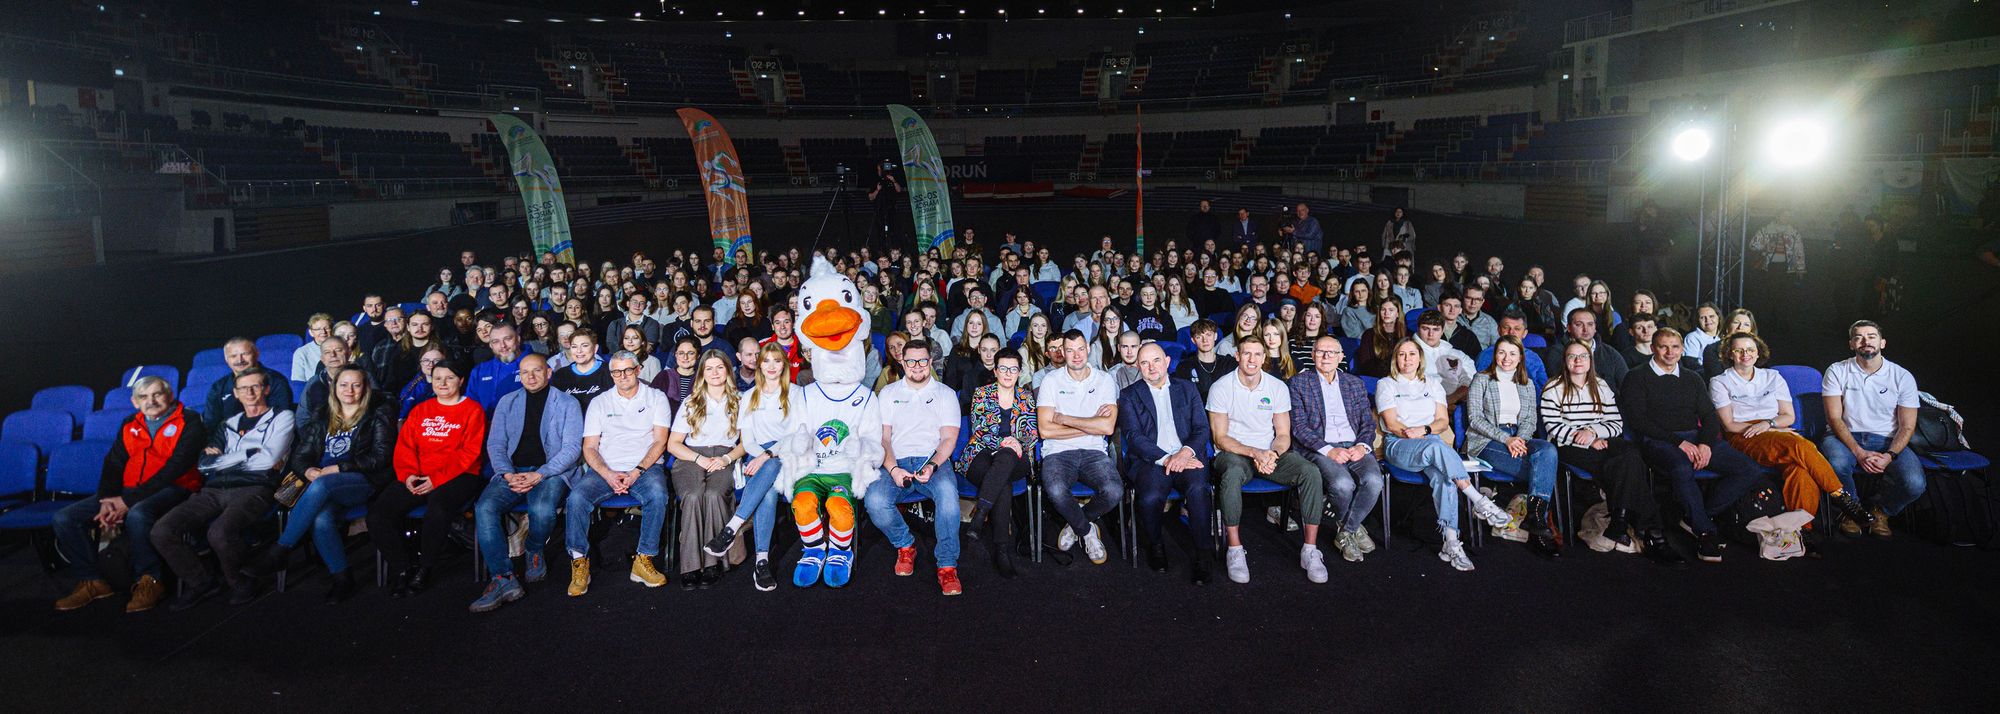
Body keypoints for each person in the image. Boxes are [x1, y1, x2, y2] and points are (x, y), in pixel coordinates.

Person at [242, 365, 398, 602]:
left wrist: (338, 468)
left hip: (362, 480)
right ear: (335, 388)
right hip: (322, 482)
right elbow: (300, 454)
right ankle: (342, 577)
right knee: (320, 518)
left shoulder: (378, 413)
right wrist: (308, 469)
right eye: (344, 384)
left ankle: (281, 550)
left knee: (322, 486)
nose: (350, 390)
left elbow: (380, 457)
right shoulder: (324, 414)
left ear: (365, 388)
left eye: (356, 385)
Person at [51, 377, 206, 613]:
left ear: (170, 396)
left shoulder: (190, 421)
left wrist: (127, 501)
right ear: (135, 402)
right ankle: (92, 580)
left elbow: (175, 468)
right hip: (128, 491)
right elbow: (114, 463)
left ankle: (150, 580)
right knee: (64, 518)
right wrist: (106, 499)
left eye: (157, 394)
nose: (151, 401)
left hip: (177, 487)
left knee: (138, 514)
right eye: (144, 397)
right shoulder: (130, 423)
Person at [1710, 332, 1875, 550]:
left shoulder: (1772, 377)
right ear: (1730, 354)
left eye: (1750, 349)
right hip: (1743, 435)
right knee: (1801, 445)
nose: (1745, 354)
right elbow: (1729, 424)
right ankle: (1841, 496)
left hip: (1774, 430)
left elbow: (1789, 416)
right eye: (1739, 350)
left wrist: (1769, 424)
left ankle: (1800, 531)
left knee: (1800, 469)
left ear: (1758, 352)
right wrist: (1762, 427)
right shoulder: (1720, 381)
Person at [151, 368, 295, 610]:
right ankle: (201, 582)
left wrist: (227, 459)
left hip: (255, 488)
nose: (249, 392)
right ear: (236, 394)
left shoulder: (283, 417)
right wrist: (250, 452)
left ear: (266, 389)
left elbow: (268, 462)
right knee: (161, 530)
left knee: (218, 532)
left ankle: (240, 581)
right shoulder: (227, 424)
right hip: (214, 489)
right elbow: (205, 465)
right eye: (243, 388)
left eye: (256, 386)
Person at [1620, 328, 1766, 563]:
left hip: (1696, 438)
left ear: (1682, 349)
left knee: (1749, 468)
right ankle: (1705, 532)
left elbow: (1709, 417)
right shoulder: (1636, 376)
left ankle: (1697, 517)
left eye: (1675, 347)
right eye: (1663, 347)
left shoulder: (1692, 378)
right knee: (1681, 467)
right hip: (1658, 440)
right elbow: (1639, 421)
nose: (1670, 352)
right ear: (1653, 348)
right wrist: (1679, 443)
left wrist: (1706, 444)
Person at [1539, 340, 1683, 564]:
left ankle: (1620, 520)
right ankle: (1653, 534)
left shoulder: (1601, 385)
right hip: (1567, 444)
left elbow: (1616, 423)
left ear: (1590, 361)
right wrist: (1586, 440)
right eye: (1572, 356)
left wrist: (1594, 433)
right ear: (1564, 361)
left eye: (1583, 356)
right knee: (1623, 465)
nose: (1578, 361)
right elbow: (1553, 427)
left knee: (1632, 454)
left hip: (1601, 438)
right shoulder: (1553, 387)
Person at [1376, 337, 1513, 571]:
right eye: (1402, 354)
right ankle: (1477, 499)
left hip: (1431, 444)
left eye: (1412, 354)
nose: (1407, 359)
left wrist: (1426, 430)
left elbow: (1442, 422)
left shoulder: (1432, 383)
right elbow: (1392, 423)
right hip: (1399, 445)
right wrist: (1420, 434)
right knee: (1436, 447)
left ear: (1420, 358)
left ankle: (1451, 542)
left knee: (1445, 477)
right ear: (1395, 358)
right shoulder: (1386, 384)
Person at [467, 354, 583, 613]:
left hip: (551, 471)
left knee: (541, 510)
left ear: (549, 372)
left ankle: (533, 547)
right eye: (525, 372)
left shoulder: (567, 403)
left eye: (537, 371)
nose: (530, 377)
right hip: (512, 471)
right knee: (485, 507)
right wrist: (507, 474)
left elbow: (572, 448)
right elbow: (496, 445)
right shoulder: (508, 402)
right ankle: (503, 578)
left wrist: (540, 474)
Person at [1206, 338, 1325, 584]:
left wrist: (1272, 454)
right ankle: (1235, 550)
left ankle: (1310, 550)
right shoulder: (1221, 387)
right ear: (1237, 356)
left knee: (1310, 472)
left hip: (1269, 453)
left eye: (1257, 354)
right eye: (1246, 354)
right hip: (1235, 454)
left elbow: (1282, 434)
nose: (1252, 359)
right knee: (1231, 476)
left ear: (1264, 357)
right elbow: (1220, 439)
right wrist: (1255, 453)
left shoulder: (1277, 387)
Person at [371, 358, 488, 597]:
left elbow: (469, 453)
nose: (443, 383)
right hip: (417, 474)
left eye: (449, 378)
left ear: (461, 381)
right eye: (437, 379)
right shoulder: (420, 409)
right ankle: (403, 568)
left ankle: (425, 568)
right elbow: (405, 446)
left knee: (439, 507)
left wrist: (436, 480)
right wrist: (409, 476)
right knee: (378, 514)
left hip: (458, 475)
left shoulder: (472, 410)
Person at [566, 351, 675, 595]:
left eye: (627, 370)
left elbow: (660, 442)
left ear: (638, 370)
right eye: (616, 372)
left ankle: (643, 559)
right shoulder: (600, 402)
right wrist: (607, 473)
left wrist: (637, 471)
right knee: (576, 498)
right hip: (607, 468)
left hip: (645, 468)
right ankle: (579, 561)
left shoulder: (656, 397)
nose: (622, 376)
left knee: (658, 495)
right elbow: (590, 447)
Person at [699, 343, 804, 592]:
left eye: (777, 361)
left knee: (774, 464)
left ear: (784, 364)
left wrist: (768, 455)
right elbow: (748, 441)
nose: (771, 366)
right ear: (759, 365)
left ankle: (731, 527)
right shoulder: (749, 396)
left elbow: (798, 434)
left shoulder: (797, 393)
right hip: (758, 456)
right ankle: (762, 562)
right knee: (766, 493)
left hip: (789, 455)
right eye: (766, 361)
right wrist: (761, 456)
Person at [866, 339, 966, 595]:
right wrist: (892, 469)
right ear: (902, 362)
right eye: (911, 361)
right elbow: (883, 439)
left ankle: (946, 564)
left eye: (923, 360)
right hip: (896, 459)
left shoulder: (945, 394)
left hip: (932, 460)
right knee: (875, 500)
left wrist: (932, 465)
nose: (917, 366)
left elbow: (948, 439)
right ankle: (905, 544)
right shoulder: (888, 393)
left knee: (948, 499)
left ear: (930, 362)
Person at [1117, 344, 1216, 582]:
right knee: (1150, 497)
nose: (1151, 367)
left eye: (1156, 360)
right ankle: (1156, 545)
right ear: (1138, 366)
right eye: (1144, 363)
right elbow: (1133, 437)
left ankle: (1203, 555)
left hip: (1187, 456)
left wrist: (1185, 452)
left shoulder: (1187, 388)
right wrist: (1167, 458)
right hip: (1151, 460)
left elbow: (1202, 428)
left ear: (1167, 361)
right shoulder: (1130, 395)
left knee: (1198, 490)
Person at [1820, 320, 1924, 536]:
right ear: (1851, 344)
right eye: (1858, 337)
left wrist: (1889, 455)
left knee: (1914, 483)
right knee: (1837, 463)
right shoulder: (1837, 370)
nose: (1865, 341)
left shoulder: (1901, 376)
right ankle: (1853, 511)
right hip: (1844, 437)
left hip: (1887, 439)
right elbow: (1834, 418)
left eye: (1871, 336)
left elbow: (1907, 426)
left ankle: (1881, 511)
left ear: (1882, 343)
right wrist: (1858, 452)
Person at [1287, 336, 1384, 564]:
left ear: (1341, 357)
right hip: (1321, 448)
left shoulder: (1354, 383)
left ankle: (1347, 531)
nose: (1326, 356)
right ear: (1313, 356)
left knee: (1374, 481)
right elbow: (1299, 427)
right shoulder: (1298, 383)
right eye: (1321, 352)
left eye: (1332, 352)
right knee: (1343, 484)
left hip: (1354, 446)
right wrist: (1329, 450)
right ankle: (1353, 529)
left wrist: (1362, 446)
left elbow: (1367, 423)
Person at [1464, 336, 1560, 558]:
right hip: (1487, 440)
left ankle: (1535, 520)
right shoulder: (1482, 379)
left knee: (1548, 451)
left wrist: (1521, 440)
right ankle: (1539, 526)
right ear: (1495, 354)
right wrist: (1506, 439)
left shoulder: (1526, 384)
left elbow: (1529, 420)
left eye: (1512, 354)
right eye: (1502, 352)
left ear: (1520, 358)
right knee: (1544, 469)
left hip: (1519, 437)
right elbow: (1475, 419)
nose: (1506, 358)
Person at [1036, 329, 1122, 565]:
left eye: (1080, 349)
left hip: (1094, 451)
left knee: (1114, 490)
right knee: (1054, 489)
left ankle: (1076, 524)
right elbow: (1045, 430)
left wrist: (1065, 419)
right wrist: (1090, 423)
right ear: (1063, 352)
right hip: (1058, 451)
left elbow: (1107, 428)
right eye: (1070, 350)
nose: (1076, 355)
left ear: (1088, 350)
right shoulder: (1051, 381)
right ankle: (1086, 531)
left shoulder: (1104, 380)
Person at [667, 350, 747, 589]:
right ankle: (690, 566)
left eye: (719, 367)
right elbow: (673, 444)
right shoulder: (691, 402)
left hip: (725, 456)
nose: (714, 373)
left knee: (713, 495)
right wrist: (699, 458)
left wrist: (726, 457)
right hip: (691, 457)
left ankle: (713, 563)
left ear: (728, 371)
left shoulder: (740, 400)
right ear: (702, 373)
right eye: (709, 368)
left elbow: (746, 443)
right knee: (692, 497)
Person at [957, 348, 1037, 579]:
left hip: (1018, 456)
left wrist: (1015, 443)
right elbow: (980, 430)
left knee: (1008, 458)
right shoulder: (982, 394)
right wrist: (1005, 442)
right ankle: (1002, 550)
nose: (1008, 373)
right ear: (995, 370)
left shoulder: (1027, 397)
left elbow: (1031, 433)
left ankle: (981, 513)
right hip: (981, 454)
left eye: (1013, 369)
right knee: (1002, 481)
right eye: (1003, 368)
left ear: (1020, 372)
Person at [203, 337, 296, 430]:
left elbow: (282, 418)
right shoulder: (218, 388)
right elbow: (211, 425)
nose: (240, 360)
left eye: (245, 354)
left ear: (256, 354)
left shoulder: (276, 381)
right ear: (226, 359)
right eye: (233, 356)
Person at [1543, 308, 1628, 394]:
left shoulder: (1610, 353)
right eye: (1579, 324)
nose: (1585, 329)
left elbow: (1626, 383)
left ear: (1595, 328)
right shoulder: (1557, 352)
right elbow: (1560, 384)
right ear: (1568, 327)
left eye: (1590, 324)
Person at [468, 321, 529, 412]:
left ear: (518, 339)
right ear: (491, 345)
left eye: (507, 339)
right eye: (496, 341)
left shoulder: (536, 365)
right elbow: (470, 406)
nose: (503, 346)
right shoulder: (480, 371)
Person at [550, 330, 613, 410]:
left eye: (584, 346)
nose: (579, 351)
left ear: (595, 348)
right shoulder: (561, 375)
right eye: (574, 346)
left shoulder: (610, 371)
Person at [1176, 318, 1237, 397]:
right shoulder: (1185, 367)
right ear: (1193, 340)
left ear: (1215, 336)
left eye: (1208, 335)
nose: (1205, 340)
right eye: (1199, 337)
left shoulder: (1229, 363)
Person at [1634, 200, 1673, 298]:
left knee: (1663, 274)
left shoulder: (1663, 219)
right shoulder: (1642, 218)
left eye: (1650, 208)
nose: (1648, 210)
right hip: (1645, 252)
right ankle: (1646, 295)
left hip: (1661, 251)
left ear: (1655, 208)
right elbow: (1637, 232)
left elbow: (1664, 233)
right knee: (1644, 276)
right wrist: (1642, 225)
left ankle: (1667, 294)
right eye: (1646, 208)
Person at [294, 313, 334, 382]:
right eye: (318, 329)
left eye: (327, 328)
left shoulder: (340, 349)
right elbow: (298, 382)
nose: (323, 332)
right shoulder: (301, 352)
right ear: (311, 332)